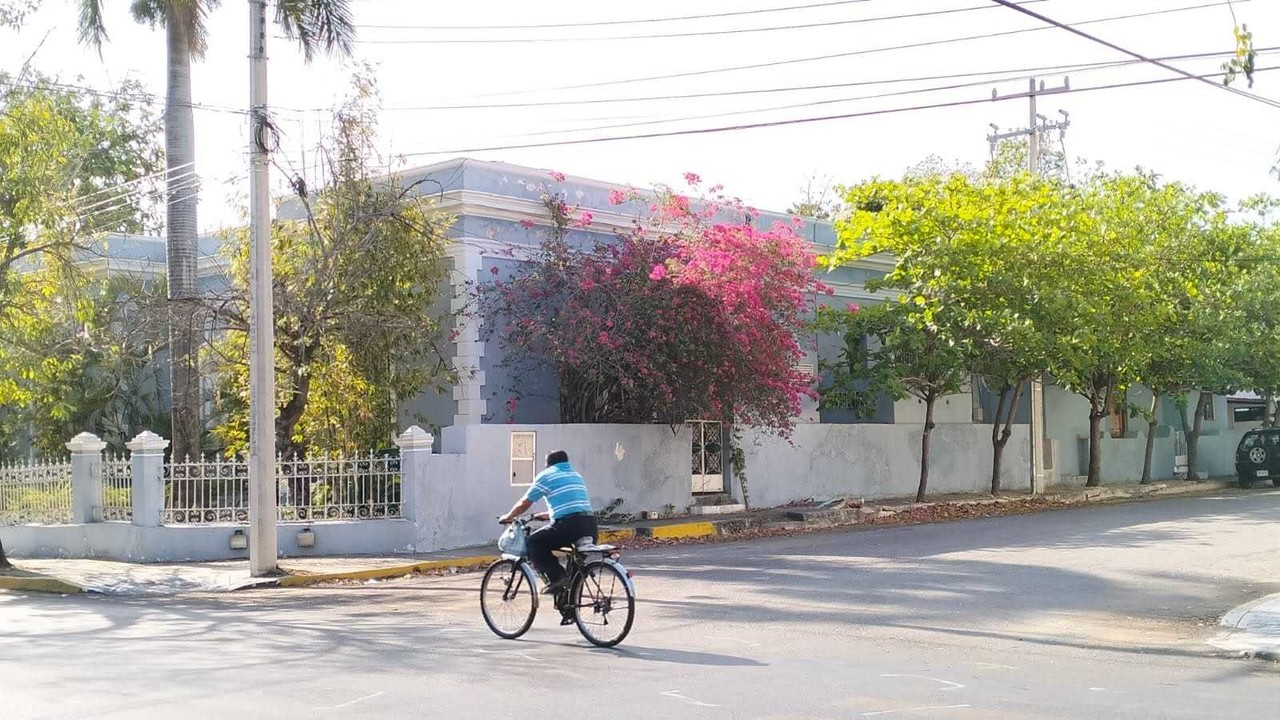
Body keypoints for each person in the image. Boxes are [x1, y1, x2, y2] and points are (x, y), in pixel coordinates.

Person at [499, 450, 597, 600]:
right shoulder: (575, 475)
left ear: (548, 464)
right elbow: (572, 505)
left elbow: (526, 502)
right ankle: (570, 605)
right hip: (589, 525)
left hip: (569, 526)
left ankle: (556, 577)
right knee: (576, 568)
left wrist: (509, 516)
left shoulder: (547, 475)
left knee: (534, 542)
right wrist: (547, 515)